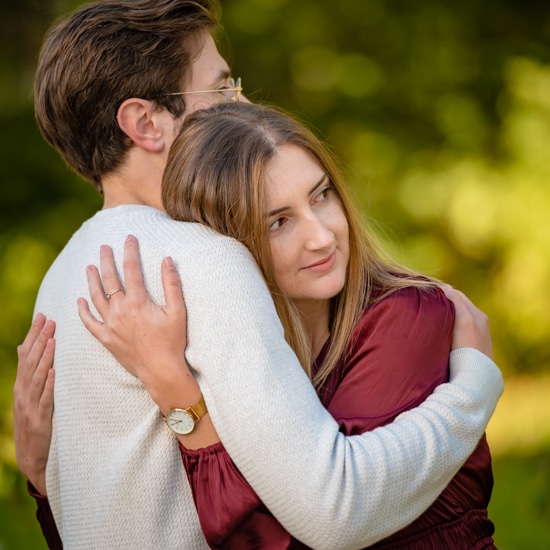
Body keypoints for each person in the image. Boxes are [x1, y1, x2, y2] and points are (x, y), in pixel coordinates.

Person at [13, 0, 503, 548]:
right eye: (221, 89)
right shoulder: (203, 260)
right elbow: (334, 509)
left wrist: (42, 483)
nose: (241, 102)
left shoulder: (60, 280)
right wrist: (476, 386)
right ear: (146, 123)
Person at [76, 102, 496, 548]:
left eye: (321, 195)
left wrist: (177, 395)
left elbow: (316, 528)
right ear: (226, 248)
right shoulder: (229, 354)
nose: (321, 236)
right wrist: (45, 480)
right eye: (278, 222)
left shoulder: (405, 317)